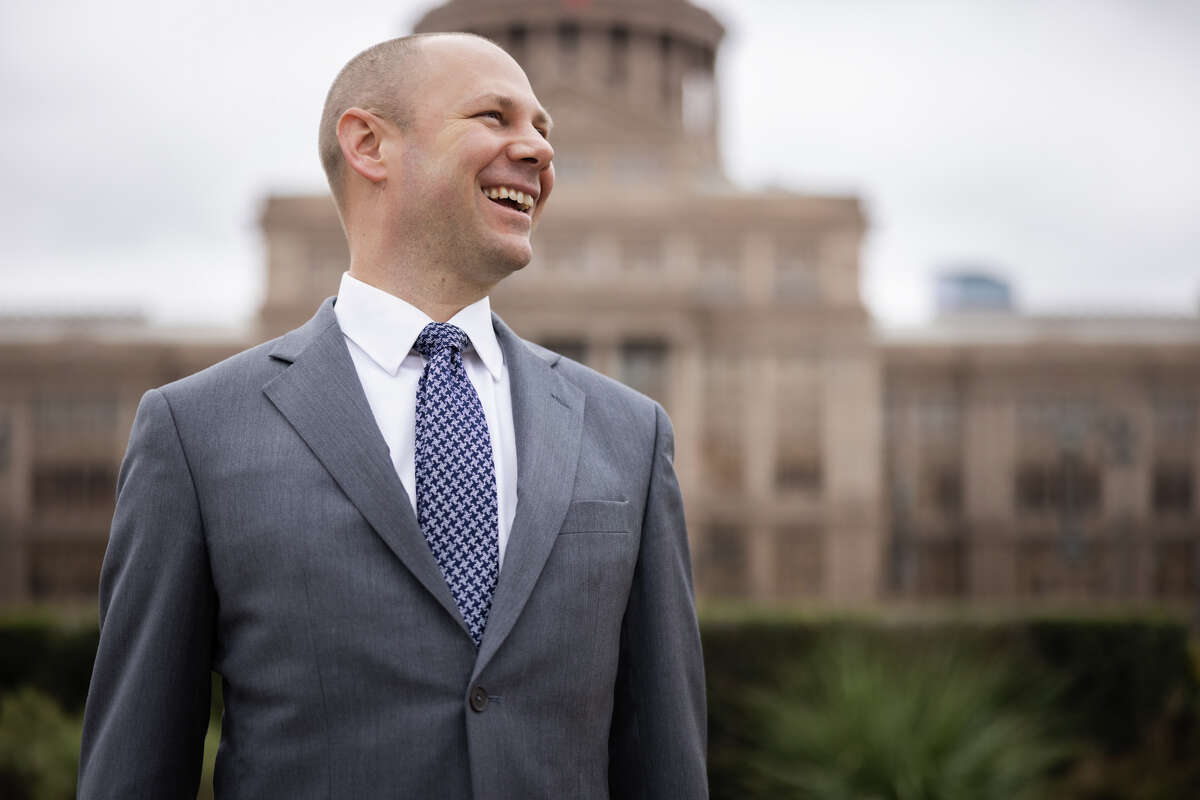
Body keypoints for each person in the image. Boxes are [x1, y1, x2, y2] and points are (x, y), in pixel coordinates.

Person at [78, 33, 707, 799]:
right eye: (494, 116)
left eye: (544, 129)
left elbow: (666, 764)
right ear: (369, 143)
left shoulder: (630, 434)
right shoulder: (195, 434)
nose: (538, 151)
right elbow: (132, 771)